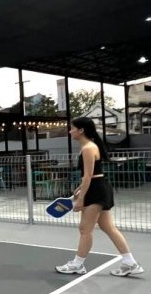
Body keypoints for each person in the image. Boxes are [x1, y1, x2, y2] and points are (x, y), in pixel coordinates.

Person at [55, 117, 143, 276]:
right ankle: (130, 263)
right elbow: (92, 174)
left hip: (95, 191)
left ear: (81, 130)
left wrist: (81, 199)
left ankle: (78, 264)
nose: (70, 131)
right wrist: (80, 188)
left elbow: (88, 176)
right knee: (107, 227)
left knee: (84, 229)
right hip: (98, 187)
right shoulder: (88, 147)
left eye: (72, 128)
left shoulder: (88, 148)